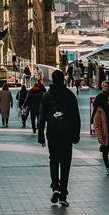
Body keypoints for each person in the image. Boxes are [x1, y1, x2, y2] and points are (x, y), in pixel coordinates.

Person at [38, 69, 81, 207]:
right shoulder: (70, 95)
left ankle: (55, 187)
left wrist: (40, 135)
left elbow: (42, 117)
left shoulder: (47, 96)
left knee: (54, 160)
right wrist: (76, 135)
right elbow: (76, 117)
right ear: (63, 79)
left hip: (52, 133)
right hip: (66, 134)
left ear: (52, 79)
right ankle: (63, 193)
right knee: (65, 163)